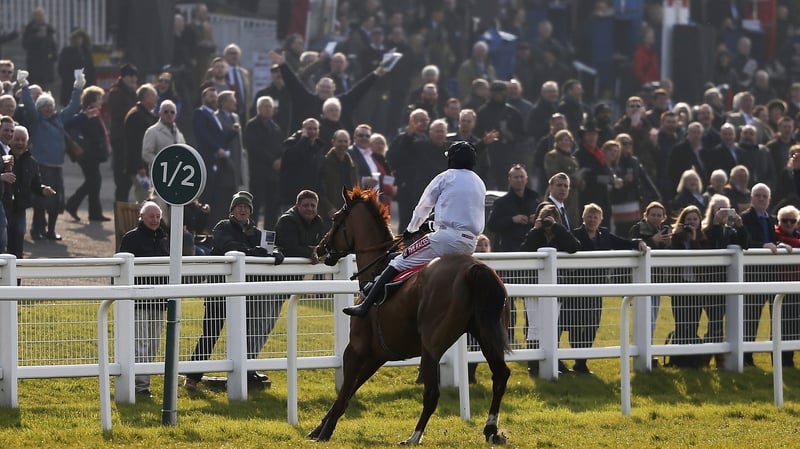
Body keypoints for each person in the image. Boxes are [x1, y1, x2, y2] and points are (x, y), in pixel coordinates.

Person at [343, 141, 485, 317]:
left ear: (451, 160)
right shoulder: (479, 182)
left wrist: (412, 229)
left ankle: (364, 306)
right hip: (470, 244)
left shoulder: (445, 177)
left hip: (445, 240)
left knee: (398, 261)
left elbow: (423, 207)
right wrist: (431, 225)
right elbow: (461, 216)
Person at [185, 191, 284, 391]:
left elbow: (270, 248)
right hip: (219, 291)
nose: (243, 209)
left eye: (246, 207)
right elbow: (228, 246)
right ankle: (192, 376)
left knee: (247, 334)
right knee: (210, 334)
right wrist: (253, 252)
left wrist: (276, 253)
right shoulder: (222, 227)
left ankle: (245, 372)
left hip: (245, 293)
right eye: (239, 206)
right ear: (232, 210)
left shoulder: (257, 233)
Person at [566, 203, 647, 373]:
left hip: (598, 288)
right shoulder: (574, 234)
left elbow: (623, 243)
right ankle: (578, 359)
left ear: (601, 219)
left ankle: (582, 361)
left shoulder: (604, 234)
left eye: (595, 217)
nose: (592, 219)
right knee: (576, 324)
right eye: (589, 216)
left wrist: (638, 242)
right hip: (578, 287)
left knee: (593, 324)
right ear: (583, 217)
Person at [20, 69, 82, 241]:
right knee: (40, 199)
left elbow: (73, 107)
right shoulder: (36, 120)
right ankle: (37, 229)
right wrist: (24, 85)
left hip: (57, 165)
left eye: (50, 105)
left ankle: (51, 230)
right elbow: (29, 104)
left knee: (56, 199)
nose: (48, 108)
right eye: (44, 106)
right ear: (39, 108)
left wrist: (78, 87)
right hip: (41, 165)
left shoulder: (58, 119)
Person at [519, 202, 580, 376]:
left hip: (555, 287)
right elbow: (525, 251)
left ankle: (550, 363)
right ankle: (534, 365)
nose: (547, 223)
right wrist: (535, 229)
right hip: (533, 286)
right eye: (544, 219)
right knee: (535, 327)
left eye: (550, 219)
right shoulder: (534, 234)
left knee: (552, 326)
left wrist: (558, 228)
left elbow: (574, 247)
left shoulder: (560, 235)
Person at [118, 201, 169, 397]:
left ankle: (142, 382)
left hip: (158, 299)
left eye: (157, 216)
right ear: (142, 217)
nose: (155, 220)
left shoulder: (165, 238)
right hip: (138, 299)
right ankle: (141, 387)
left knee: (153, 344)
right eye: (151, 216)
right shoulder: (131, 238)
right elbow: (121, 267)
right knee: (141, 343)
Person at [740, 183, 779, 366]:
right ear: (751, 198)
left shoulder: (771, 219)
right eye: (758, 195)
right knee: (751, 318)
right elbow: (743, 241)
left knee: (777, 317)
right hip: (753, 274)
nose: (761, 199)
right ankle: (747, 358)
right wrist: (761, 246)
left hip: (771, 274)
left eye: (764, 196)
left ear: (769, 200)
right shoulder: (744, 218)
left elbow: (774, 241)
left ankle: (778, 360)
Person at [5, 125, 56, 259]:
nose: (20, 143)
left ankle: (17, 271)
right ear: (10, 140)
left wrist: (43, 189)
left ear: (27, 142)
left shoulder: (31, 162)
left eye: (23, 140)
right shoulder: (4, 158)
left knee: (17, 244)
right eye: (17, 139)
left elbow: (36, 184)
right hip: (4, 208)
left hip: (20, 209)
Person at [667, 205, 708, 368]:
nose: (691, 222)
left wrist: (693, 239)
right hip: (680, 284)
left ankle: (691, 360)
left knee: (693, 322)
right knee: (681, 322)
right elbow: (672, 254)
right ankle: (678, 360)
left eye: (694, 219)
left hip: (697, 286)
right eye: (688, 219)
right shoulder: (677, 238)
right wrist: (679, 236)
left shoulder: (703, 237)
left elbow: (700, 258)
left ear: (700, 221)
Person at [64, 86, 111, 222]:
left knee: (94, 181)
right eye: (99, 98)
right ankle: (73, 204)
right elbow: (91, 133)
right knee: (93, 181)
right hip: (88, 154)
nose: (101, 101)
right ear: (92, 100)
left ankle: (94, 212)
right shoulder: (88, 113)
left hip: (90, 153)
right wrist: (100, 142)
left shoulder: (92, 112)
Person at [629, 201, 672, 341]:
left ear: (664, 217)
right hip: (641, 279)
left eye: (659, 215)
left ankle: (649, 344)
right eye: (653, 215)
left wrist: (669, 243)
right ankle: (645, 346)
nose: (656, 218)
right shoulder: (637, 228)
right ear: (646, 215)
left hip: (657, 278)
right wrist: (653, 240)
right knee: (645, 315)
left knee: (653, 315)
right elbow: (633, 246)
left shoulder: (665, 230)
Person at [243, 96, 283, 229]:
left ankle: (268, 235)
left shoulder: (276, 127)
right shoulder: (252, 125)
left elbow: (280, 146)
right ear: (259, 108)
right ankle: (251, 233)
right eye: (265, 106)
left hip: (273, 175)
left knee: (272, 208)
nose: (268, 109)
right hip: (258, 172)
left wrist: (280, 160)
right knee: (255, 205)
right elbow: (254, 147)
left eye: (270, 106)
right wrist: (272, 161)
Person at [487, 164, 539, 252]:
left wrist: (536, 218)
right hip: (510, 249)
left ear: (526, 179)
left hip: (532, 248)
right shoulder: (501, 202)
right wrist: (512, 220)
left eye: (521, 177)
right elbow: (492, 225)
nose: (519, 180)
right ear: (509, 180)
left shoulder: (535, 201)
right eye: (516, 177)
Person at [772, 205, 800, 368]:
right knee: (781, 323)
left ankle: (789, 360)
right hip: (780, 285)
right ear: (779, 221)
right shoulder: (775, 235)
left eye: (792, 220)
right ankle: (781, 360)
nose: (788, 224)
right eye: (785, 220)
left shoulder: (797, 237)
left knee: (794, 324)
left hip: (796, 285)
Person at [108, 63, 139, 202]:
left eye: (134, 76)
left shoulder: (133, 91)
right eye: (130, 76)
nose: (133, 79)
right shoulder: (116, 91)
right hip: (120, 137)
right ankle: (120, 205)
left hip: (131, 138)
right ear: (123, 77)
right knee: (121, 176)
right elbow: (118, 113)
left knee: (128, 176)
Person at [124, 84, 158, 202]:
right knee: (143, 198)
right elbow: (135, 143)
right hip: (140, 167)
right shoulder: (136, 115)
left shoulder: (149, 115)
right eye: (153, 95)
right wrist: (140, 166)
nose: (156, 98)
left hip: (148, 165)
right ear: (145, 97)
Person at [275, 190, 327, 262]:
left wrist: (317, 250)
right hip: (287, 265)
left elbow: (321, 245)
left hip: (309, 266)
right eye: (306, 205)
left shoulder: (318, 221)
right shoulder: (287, 220)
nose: (309, 209)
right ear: (298, 206)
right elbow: (290, 249)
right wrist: (313, 251)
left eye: (313, 205)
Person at [320, 129, 357, 220]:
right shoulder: (324, 163)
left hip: (348, 212)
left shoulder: (352, 165)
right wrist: (329, 208)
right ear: (333, 142)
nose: (343, 144)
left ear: (349, 142)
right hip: (329, 214)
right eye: (340, 141)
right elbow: (319, 189)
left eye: (345, 141)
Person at [141, 100, 185, 174]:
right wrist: (162, 164)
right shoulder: (152, 131)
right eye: (166, 112)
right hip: (159, 174)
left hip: (177, 173)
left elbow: (184, 153)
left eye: (172, 112)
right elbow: (146, 154)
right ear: (160, 113)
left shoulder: (179, 134)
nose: (169, 114)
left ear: (175, 115)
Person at [57, 28, 96, 107]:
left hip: (85, 83)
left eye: (79, 38)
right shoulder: (67, 51)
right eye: (75, 38)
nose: (78, 40)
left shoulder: (86, 52)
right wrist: (70, 77)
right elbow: (62, 68)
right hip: (70, 84)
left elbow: (90, 67)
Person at [21, 8, 57, 89]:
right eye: (38, 15)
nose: (40, 17)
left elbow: (52, 44)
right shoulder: (30, 28)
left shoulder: (48, 29)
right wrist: (36, 37)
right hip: (34, 62)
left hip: (46, 63)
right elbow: (25, 44)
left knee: (45, 86)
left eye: (42, 15)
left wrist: (54, 56)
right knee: (33, 86)